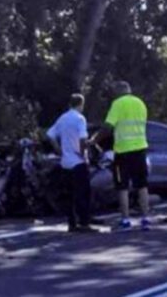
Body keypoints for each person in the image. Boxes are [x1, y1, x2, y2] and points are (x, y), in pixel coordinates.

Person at [91, 81, 150, 231]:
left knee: (122, 186)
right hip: (140, 148)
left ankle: (125, 221)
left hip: (123, 151)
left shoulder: (117, 104)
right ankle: (145, 219)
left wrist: (93, 140)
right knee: (142, 185)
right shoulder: (140, 103)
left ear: (118, 92)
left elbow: (108, 127)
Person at [46, 94, 97, 233]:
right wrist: (83, 154)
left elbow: (50, 134)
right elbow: (82, 139)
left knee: (69, 194)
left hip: (65, 162)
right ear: (81, 104)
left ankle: (72, 223)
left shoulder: (63, 118)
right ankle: (84, 223)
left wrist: (58, 148)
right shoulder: (80, 119)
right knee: (83, 193)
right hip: (78, 161)